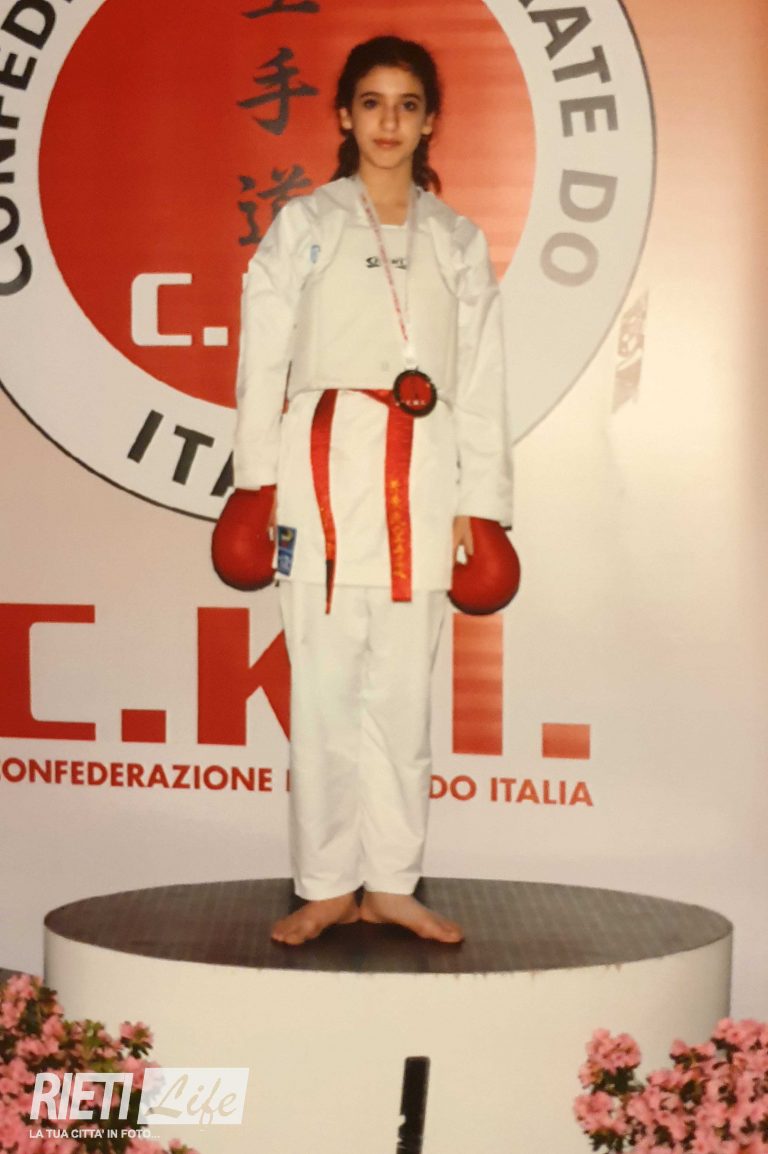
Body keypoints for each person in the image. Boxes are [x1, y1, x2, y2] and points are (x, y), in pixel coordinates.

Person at [231, 35, 513, 945]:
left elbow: (482, 378)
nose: (389, 122)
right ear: (344, 116)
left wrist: (481, 504)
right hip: (320, 475)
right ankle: (323, 883)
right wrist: (253, 484)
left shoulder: (457, 240)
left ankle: (391, 880)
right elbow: (261, 356)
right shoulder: (304, 226)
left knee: (400, 696)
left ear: (430, 122)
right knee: (321, 693)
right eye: (372, 102)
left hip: (422, 480)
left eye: (407, 104)